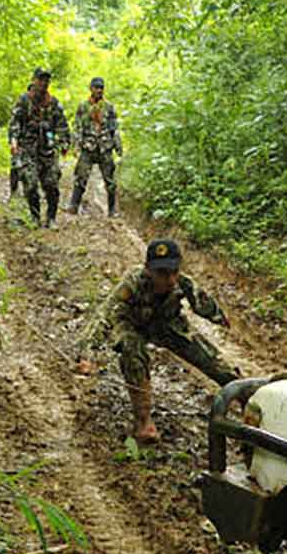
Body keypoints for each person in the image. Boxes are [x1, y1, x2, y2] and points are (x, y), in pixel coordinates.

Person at [109, 239, 237, 443]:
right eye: (162, 273)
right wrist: (86, 354)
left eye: (174, 272)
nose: (169, 279)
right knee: (132, 351)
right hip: (134, 326)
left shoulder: (182, 282)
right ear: (148, 270)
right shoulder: (131, 283)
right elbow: (106, 316)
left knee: (213, 361)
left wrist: (220, 318)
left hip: (168, 325)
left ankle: (249, 397)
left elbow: (201, 301)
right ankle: (143, 422)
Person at [8, 67, 70, 228]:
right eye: (41, 79)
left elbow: (62, 125)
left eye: (46, 80)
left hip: (47, 150)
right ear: (34, 80)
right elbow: (15, 122)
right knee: (30, 184)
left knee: (51, 184)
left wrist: (63, 143)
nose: (44, 83)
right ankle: (35, 217)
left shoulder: (53, 103)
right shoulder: (24, 101)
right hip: (27, 149)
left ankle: (51, 218)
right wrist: (14, 141)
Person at [69, 77, 122, 217]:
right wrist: (76, 145)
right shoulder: (83, 106)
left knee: (110, 181)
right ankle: (73, 205)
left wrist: (118, 146)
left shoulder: (109, 107)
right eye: (96, 87)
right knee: (81, 177)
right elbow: (78, 127)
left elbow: (114, 128)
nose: (99, 90)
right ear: (91, 88)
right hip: (88, 146)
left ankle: (112, 210)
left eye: (101, 88)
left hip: (105, 146)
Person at [6, 82, 31, 202]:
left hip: (36, 144)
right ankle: (14, 191)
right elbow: (14, 125)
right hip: (21, 142)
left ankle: (29, 194)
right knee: (16, 166)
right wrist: (14, 142)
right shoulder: (22, 105)